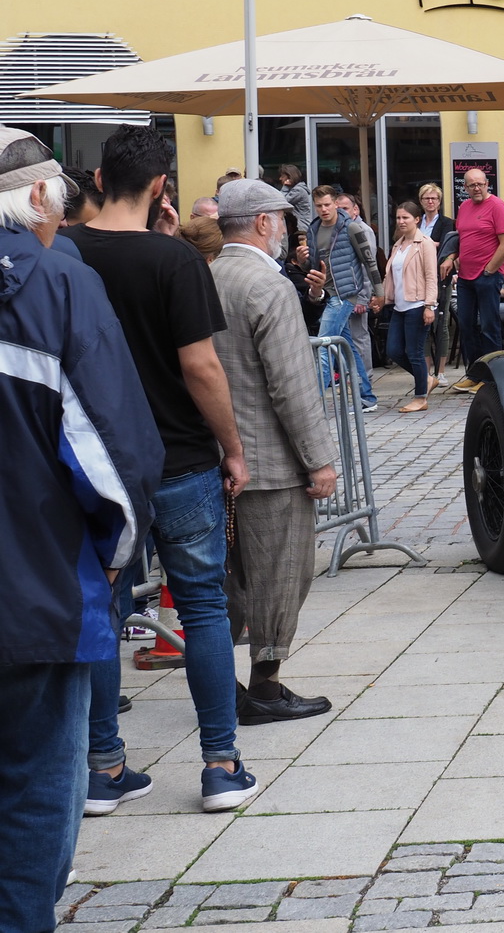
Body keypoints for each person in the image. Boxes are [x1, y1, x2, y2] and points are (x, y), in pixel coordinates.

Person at [64, 126, 260, 816]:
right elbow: (201, 365)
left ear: (94, 181)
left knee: (101, 607)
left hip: (93, 462)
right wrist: (232, 447)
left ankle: (104, 764)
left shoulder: (63, 254)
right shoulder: (173, 262)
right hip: (177, 457)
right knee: (202, 602)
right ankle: (220, 763)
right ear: (160, 188)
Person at [0, 132, 161, 933]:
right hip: (36, 589)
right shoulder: (57, 283)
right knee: (37, 785)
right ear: (37, 200)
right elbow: (115, 453)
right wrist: (113, 564)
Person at [209, 180, 340, 726]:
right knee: (283, 575)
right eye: (282, 219)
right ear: (262, 222)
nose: (287, 229)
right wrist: (320, 459)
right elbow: (292, 384)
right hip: (270, 461)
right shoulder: (267, 286)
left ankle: (224, 684)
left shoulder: (206, 275)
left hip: (217, 455)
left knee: (227, 580)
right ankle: (264, 686)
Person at [305, 186, 381, 412]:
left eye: (327, 204)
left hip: (345, 294)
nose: (323, 209)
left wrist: (379, 292)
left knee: (324, 344)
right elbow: (313, 266)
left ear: (336, 203)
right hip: (325, 293)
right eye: (319, 206)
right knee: (348, 347)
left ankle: (313, 404)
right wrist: (302, 260)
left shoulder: (351, 227)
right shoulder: (314, 228)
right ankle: (366, 397)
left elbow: (369, 261)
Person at [449, 168, 504, 391]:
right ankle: (474, 374)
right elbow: (462, 238)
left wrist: (490, 269)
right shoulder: (464, 207)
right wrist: (455, 258)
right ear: (464, 188)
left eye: (480, 184)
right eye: (471, 185)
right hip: (465, 277)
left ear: (487, 184)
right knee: (466, 325)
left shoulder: (497, 206)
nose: (476, 188)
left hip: (487, 275)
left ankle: (492, 378)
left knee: (488, 326)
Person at [374, 202, 440, 411]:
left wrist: (429, 305)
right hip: (399, 306)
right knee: (394, 350)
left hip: (418, 304)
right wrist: (383, 298)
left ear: (417, 219)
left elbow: (431, 277)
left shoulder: (425, 244)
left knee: (414, 352)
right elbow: (391, 277)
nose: (401, 222)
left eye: (406, 218)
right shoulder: (398, 244)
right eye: (398, 218)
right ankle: (426, 379)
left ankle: (421, 397)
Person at [416, 184, 457, 387]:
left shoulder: (447, 222)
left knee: (442, 322)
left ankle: (441, 371)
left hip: (442, 275)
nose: (430, 202)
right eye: (426, 198)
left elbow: (448, 243)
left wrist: (425, 243)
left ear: (439, 202)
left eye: (434, 198)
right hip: (419, 276)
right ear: (421, 201)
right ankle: (426, 371)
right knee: (423, 322)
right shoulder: (416, 221)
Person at [277, 163, 313, 232]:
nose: (280, 178)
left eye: (282, 176)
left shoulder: (298, 190)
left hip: (301, 228)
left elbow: (281, 201)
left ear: (289, 177)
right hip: (296, 226)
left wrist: (285, 187)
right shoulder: (294, 189)